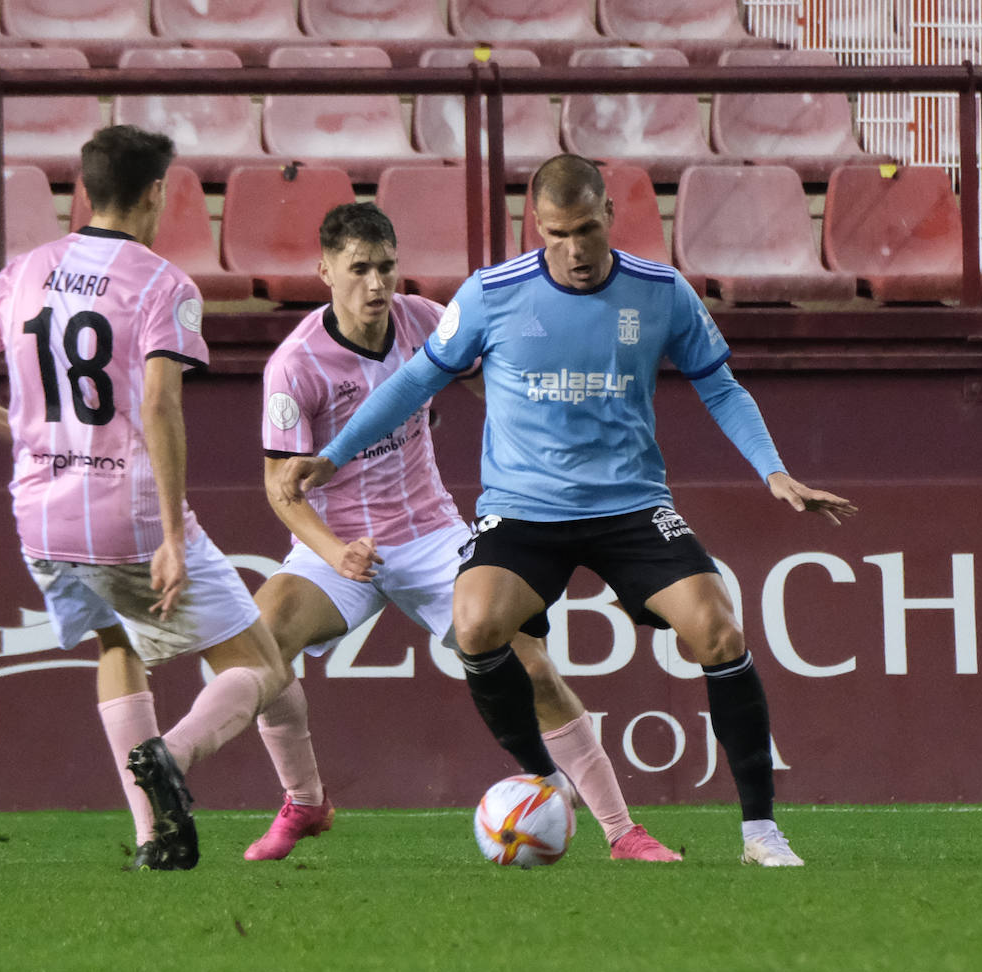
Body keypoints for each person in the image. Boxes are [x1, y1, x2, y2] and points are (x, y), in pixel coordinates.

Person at [278, 154, 857, 867]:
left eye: (585, 229)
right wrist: (332, 456)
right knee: (476, 624)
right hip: (525, 511)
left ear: (609, 215)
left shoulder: (661, 291)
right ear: (536, 225)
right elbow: (414, 382)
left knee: (719, 631)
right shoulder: (492, 294)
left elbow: (722, 386)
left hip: (631, 505)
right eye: (556, 233)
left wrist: (772, 470)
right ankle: (543, 777)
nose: (574, 249)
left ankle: (761, 832)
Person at [244, 201, 680, 862]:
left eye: (386, 267)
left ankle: (623, 831)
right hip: (336, 544)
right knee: (260, 642)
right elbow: (282, 490)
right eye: (358, 268)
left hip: (427, 534)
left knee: (529, 664)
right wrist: (334, 552)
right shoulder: (294, 363)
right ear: (324, 270)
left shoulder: (423, 319)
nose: (376, 283)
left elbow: (502, 380)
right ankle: (305, 802)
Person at [0, 125, 292, 871]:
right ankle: (173, 754)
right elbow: (158, 403)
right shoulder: (162, 284)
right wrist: (176, 539)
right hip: (128, 513)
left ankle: (156, 836)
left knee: (116, 642)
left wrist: (29, 434)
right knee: (263, 667)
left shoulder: (22, 272)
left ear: (83, 191)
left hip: (41, 517)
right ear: (158, 192)